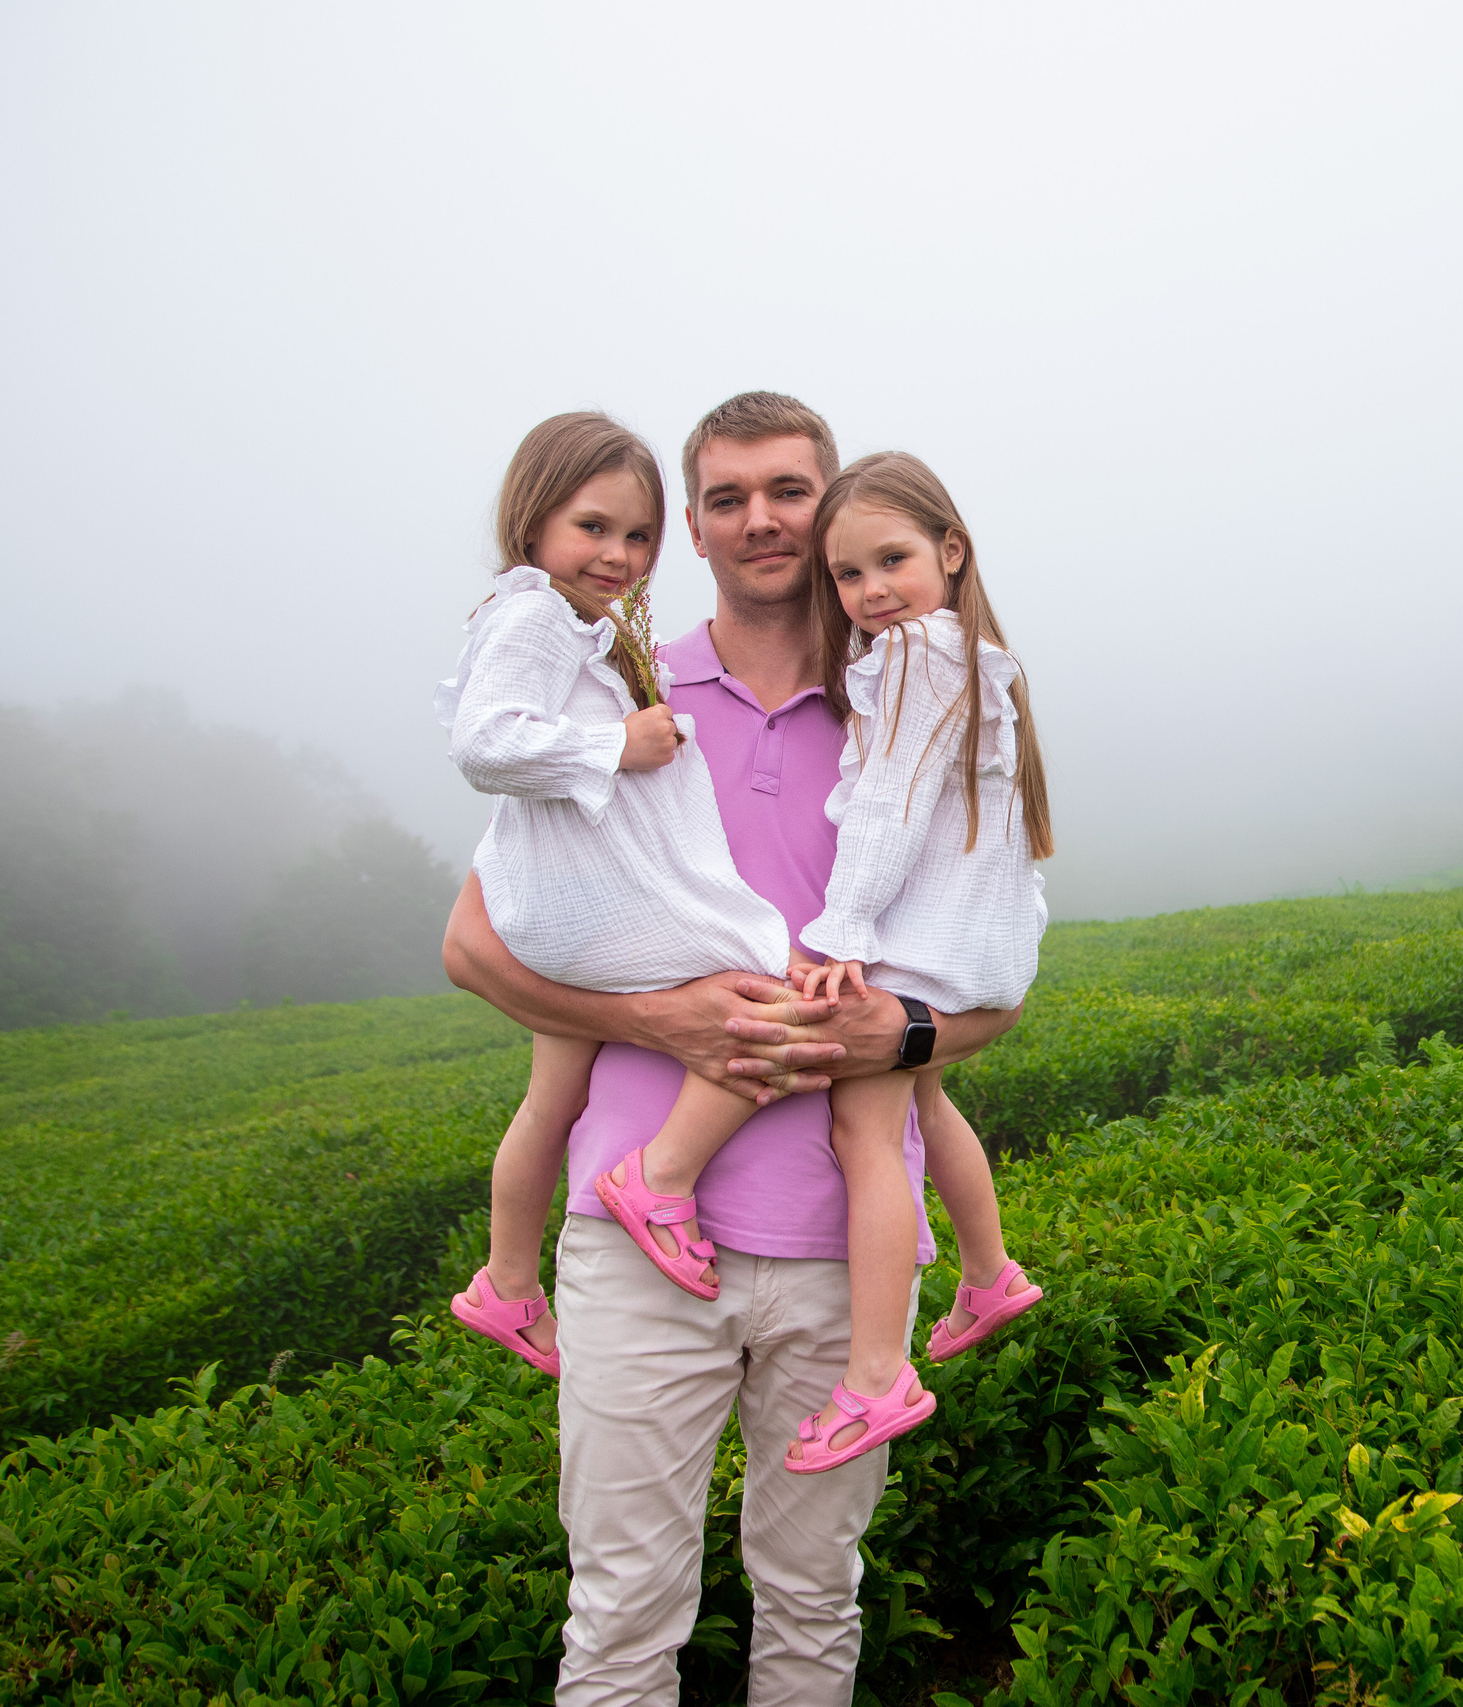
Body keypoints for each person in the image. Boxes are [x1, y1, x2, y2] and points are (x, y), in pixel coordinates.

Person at [442, 393, 1023, 1706]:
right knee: (621, 1614)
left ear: (834, 509)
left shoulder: (912, 690)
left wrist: (904, 1027)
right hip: (639, 1236)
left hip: (844, 1249)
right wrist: (656, 1018)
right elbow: (474, 947)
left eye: (789, 490)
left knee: (817, 1605)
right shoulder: (618, 690)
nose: (760, 517)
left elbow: (993, 983)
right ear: (688, 530)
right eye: (724, 497)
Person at [438, 412, 795, 1377]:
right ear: (533, 518)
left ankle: (507, 1284)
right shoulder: (536, 615)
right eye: (593, 527)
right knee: (766, 988)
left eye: (636, 536)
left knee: (549, 1096)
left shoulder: (579, 629)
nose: (618, 554)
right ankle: (659, 1179)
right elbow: (484, 743)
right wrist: (619, 744)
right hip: (577, 910)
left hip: (562, 907)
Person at [779, 452, 1052, 1473]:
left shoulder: (912, 656)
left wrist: (840, 928)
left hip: (921, 943)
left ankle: (875, 1375)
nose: (870, 593)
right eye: (847, 577)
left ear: (950, 548)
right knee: (926, 1102)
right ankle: (987, 1275)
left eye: (891, 559)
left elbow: (887, 806)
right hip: (976, 945)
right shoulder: (970, 652)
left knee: (866, 1126)